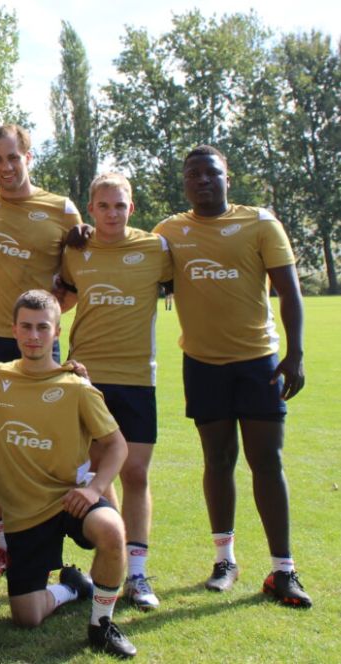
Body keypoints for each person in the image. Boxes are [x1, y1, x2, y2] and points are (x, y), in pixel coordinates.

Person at [154, 145, 310, 608]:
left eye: (211, 173)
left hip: (258, 362)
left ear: (228, 177)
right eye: (193, 174)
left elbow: (289, 292)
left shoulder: (260, 223)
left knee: (267, 461)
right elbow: (135, 263)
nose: (202, 180)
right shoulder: (169, 231)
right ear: (185, 182)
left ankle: (283, 569)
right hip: (202, 364)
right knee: (218, 460)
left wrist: (296, 354)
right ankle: (225, 561)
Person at [0, 290, 137, 658]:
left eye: (42, 327)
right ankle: (73, 587)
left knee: (111, 530)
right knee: (27, 616)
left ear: (57, 332)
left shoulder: (76, 387)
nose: (34, 335)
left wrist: (95, 488)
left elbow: (116, 446)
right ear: (14, 330)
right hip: (25, 516)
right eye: (26, 327)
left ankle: (102, 625)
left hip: (71, 499)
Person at [0, 123, 82, 579]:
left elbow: (76, 280)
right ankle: (3, 545)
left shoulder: (62, 210)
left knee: (50, 445)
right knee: (1, 447)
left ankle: (52, 543)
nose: (6, 167)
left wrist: (47, 323)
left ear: (28, 157)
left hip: (41, 344)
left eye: (13, 157)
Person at [57, 173, 173, 609]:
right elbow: (61, 296)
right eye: (103, 206)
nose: (112, 213)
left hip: (138, 376)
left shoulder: (156, 249)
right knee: (96, 473)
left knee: (136, 473)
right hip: (88, 376)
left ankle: (138, 575)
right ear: (91, 209)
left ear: (132, 207)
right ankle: (114, 560)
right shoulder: (76, 251)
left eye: (120, 205)